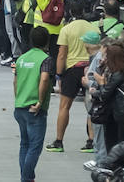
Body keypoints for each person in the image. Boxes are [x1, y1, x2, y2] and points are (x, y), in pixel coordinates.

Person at [48, 11, 99, 153]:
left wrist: (58, 75)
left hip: (72, 69)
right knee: (91, 106)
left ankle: (59, 141)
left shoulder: (66, 29)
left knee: (64, 106)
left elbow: (62, 54)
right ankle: (91, 141)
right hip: (89, 68)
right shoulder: (94, 28)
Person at [13, 27, 53, 182]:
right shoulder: (46, 59)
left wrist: (18, 99)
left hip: (20, 106)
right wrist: (40, 102)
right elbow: (44, 79)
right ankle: (26, 178)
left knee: (24, 144)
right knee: (35, 147)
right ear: (47, 41)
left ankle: (27, 177)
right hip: (35, 109)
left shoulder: (21, 58)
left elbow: (15, 82)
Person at [91, 42, 124, 153]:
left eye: (107, 56)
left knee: (115, 142)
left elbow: (105, 94)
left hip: (120, 113)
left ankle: (116, 166)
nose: (105, 59)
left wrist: (97, 88)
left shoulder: (117, 75)